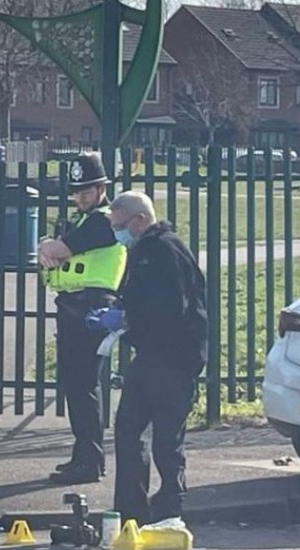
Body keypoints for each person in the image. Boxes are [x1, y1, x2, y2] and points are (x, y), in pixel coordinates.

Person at [87, 190, 208, 527]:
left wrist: (126, 320)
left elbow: (170, 309)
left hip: (175, 358)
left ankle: (170, 508)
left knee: (167, 439)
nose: (118, 234)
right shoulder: (143, 252)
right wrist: (120, 312)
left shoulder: (165, 251)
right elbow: (143, 300)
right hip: (150, 355)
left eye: (120, 226)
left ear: (140, 220)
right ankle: (131, 511)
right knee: (129, 429)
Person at [37, 152, 127, 484]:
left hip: (91, 307)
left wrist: (49, 245)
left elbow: (60, 251)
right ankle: (83, 455)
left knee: (84, 385)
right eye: (76, 191)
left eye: (86, 190)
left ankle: (89, 461)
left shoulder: (104, 221)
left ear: (102, 187)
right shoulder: (86, 219)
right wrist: (50, 245)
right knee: (75, 385)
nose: (79, 196)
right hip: (75, 306)